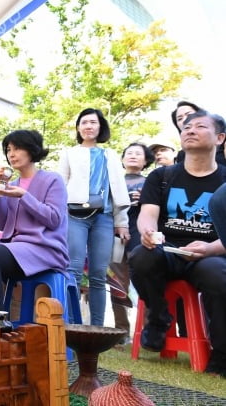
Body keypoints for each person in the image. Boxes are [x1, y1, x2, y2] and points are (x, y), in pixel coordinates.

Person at [129, 110, 226, 377]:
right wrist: (148, 233)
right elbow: (148, 215)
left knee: (217, 274)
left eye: (200, 126)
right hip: (168, 251)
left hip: (210, 253)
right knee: (141, 256)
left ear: (220, 137)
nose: (190, 130)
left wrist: (210, 248)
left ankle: (221, 355)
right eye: (186, 127)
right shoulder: (161, 177)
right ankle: (158, 317)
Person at [0, 130, 69, 310]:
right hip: (14, 248)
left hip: (44, 248)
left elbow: (54, 219)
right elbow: (1, 224)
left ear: (32, 149)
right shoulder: (12, 185)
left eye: (17, 148)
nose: (12, 154)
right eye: (8, 150)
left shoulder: (53, 180)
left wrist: (24, 196)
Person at [58, 108, 130, 326]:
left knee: (99, 273)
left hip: (104, 216)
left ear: (101, 127)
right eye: (84, 122)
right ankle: (71, 325)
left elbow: (117, 189)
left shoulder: (110, 154)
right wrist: (58, 216)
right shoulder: (69, 152)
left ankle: (97, 328)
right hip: (75, 214)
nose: (88, 126)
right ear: (78, 128)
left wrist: (122, 223)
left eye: (93, 122)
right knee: (74, 269)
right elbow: (61, 184)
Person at [109, 142, 154, 344]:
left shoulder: (151, 182)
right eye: (129, 153)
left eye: (138, 153)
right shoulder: (112, 180)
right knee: (117, 283)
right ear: (123, 158)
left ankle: (147, 331)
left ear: (146, 161)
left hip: (140, 233)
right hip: (115, 234)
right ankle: (120, 331)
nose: (133, 156)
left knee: (144, 281)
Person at [171, 100, 226, 165]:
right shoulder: (181, 155)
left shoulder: (223, 141)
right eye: (180, 119)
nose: (185, 120)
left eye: (189, 114)